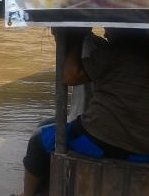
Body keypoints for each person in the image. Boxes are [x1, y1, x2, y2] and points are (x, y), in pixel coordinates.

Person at [16, 27, 149, 196]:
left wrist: (78, 37)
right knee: (46, 126)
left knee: (37, 140)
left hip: (105, 140)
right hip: (142, 143)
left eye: (109, 29)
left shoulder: (114, 50)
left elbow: (70, 76)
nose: (106, 34)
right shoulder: (140, 50)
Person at [36, 31, 107, 128]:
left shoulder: (85, 46)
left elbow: (83, 101)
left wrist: (73, 125)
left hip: (87, 117)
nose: (53, 32)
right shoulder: (88, 43)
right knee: (43, 125)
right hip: (90, 111)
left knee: (37, 138)